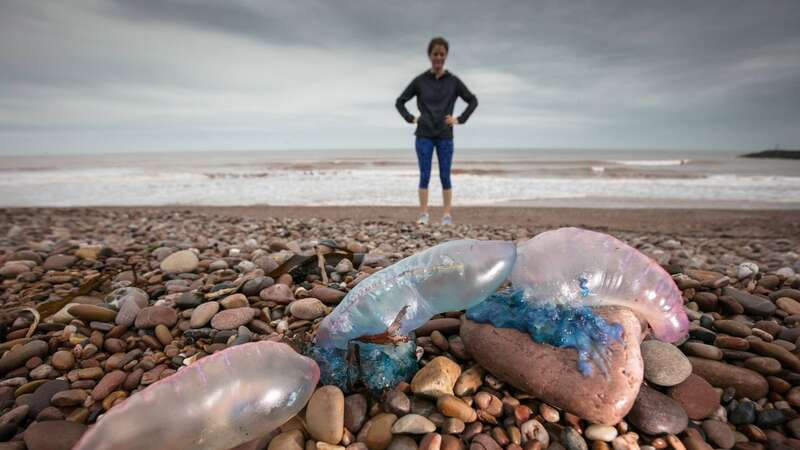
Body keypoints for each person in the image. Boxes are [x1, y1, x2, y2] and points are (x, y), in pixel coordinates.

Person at [395, 36, 478, 226]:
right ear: (429, 56)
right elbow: (400, 101)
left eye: (442, 54)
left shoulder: (453, 82)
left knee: (445, 175)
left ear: (446, 56)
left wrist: (459, 119)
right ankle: (423, 214)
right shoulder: (420, 81)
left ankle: (447, 215)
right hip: (423, 135)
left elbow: (472, 100)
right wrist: (411, 118)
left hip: (444, 135)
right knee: (424, 174)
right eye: (435, 54)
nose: (438, 58)